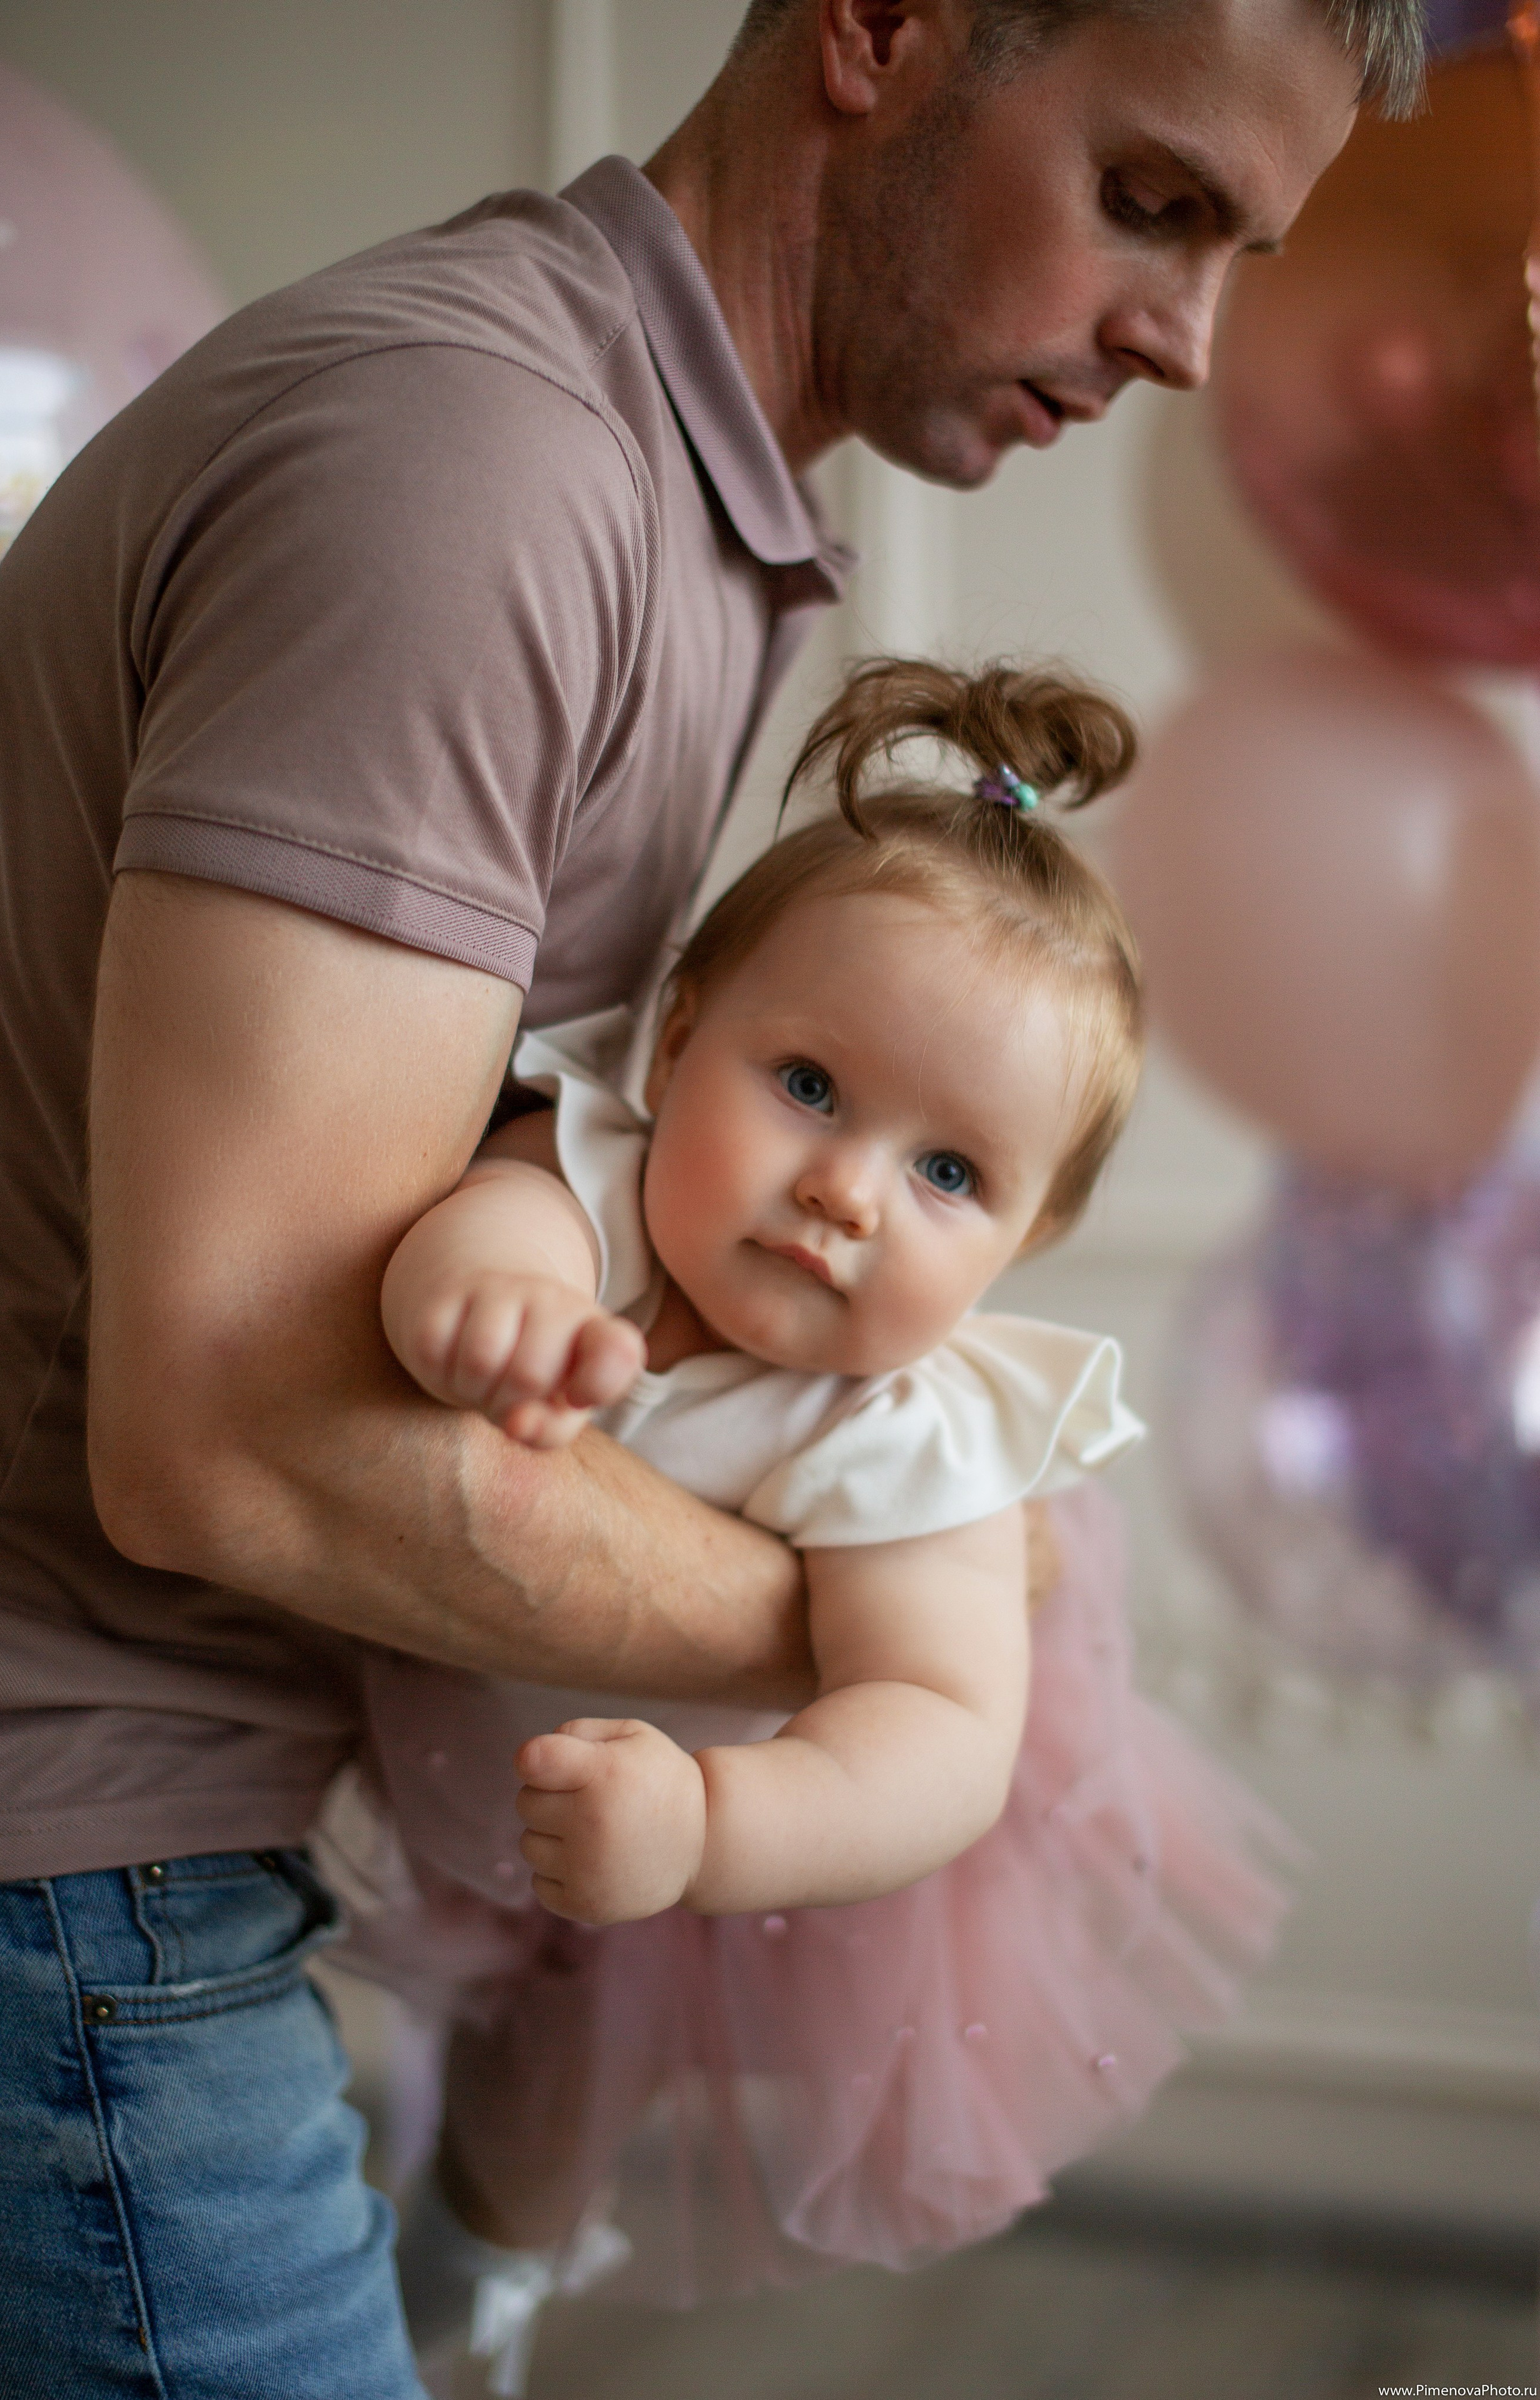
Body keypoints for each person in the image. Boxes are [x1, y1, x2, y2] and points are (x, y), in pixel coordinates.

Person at [0, 1, 1414, 2392]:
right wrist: (904, 1622)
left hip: (161, 1841)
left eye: (1240, 251)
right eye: (1151, 202)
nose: (1189, 337)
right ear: (885, 28)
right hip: (42, 1870)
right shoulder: (483, 473)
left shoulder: (656, 498)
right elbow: (223, 1427)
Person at [335, 658, 1290, 2391]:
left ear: (1025, 1245)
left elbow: (935, 1734)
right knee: (423, 2013)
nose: (850, 1191)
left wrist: (705, 1820)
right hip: (434, 1731)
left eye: (951, 1176)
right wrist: (492, 1305)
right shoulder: (605, 1175)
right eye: (812, 1088)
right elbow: (492, 1222)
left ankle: (475, 2288)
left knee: (553, 2072)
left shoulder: (902, 1433)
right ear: (683, 1029)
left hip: (739, 1829)